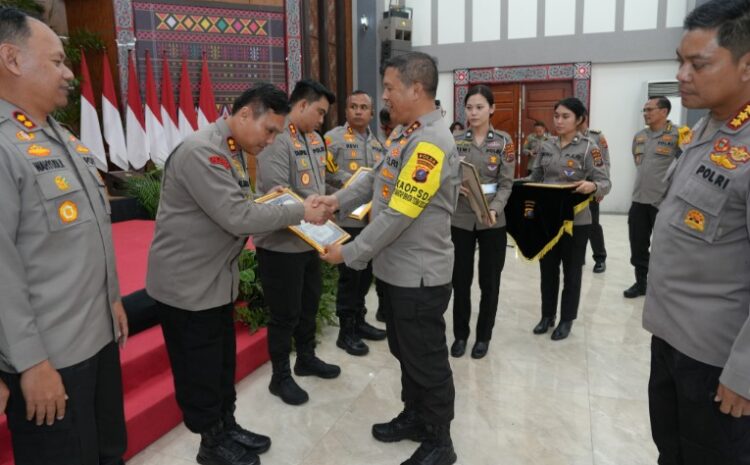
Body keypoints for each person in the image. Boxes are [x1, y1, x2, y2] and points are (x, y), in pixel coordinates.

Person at [146, 84, 332, 465]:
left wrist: (271, 199)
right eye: (269, 131)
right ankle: (210, 444)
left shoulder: (228, 148)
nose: (271, 140)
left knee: (221, 366)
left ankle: (227, 426)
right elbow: (236, 217)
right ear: (245, 114)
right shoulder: (203, 152)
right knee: (200, 371)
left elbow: (232, 204)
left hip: (213, 282)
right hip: (187, 288)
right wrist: (298, 211)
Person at [0, 8, 128, 465]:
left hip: (97, 335)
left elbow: (89, 231)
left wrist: (111, 296)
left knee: (109, 451)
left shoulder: (61, 135)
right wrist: (31, 364)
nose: (69, 72)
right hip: (51, 357)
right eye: (55, 61)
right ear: (12, 59)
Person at [320, 51, 460, 465]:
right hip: (397, 272)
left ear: (416, 89)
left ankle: (440, 441)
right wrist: (335, 200)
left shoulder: (431, 141)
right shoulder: (405, 132)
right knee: (404, 350)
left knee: (427, 357)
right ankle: (416, 417)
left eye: (390, 88)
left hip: (419, 276)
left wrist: (350, 253)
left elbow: (400, 212)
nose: (385, 97)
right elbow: (373, 178)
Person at [644, 0, 750, 462]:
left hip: (717, 359)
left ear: (746, 66)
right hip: (670, 338)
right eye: (680, 62)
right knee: (672, 450)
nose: (683, 75)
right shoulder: (708, 129)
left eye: (699, 64)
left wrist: (745, 373)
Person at [254, 79, 340, 407]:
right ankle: (280, 376)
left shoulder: (314, 139)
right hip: (280, 246)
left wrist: (329, 206)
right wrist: (318, 212)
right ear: (301, 105)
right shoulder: (277, 140)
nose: (321, 120)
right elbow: (278, 193)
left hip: (309, 241)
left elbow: (317, 185)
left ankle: (306, 358)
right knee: (284, 314)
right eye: (319, 112)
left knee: (308, 305)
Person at [527, 97, 611, 340]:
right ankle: (547, 315)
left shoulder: (589, 148)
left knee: (572, 272)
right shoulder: (546, 146)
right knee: (548, 270)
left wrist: (592, 186)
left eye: (565, 116)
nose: (559, 121)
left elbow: (605, 182)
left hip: (577, 222)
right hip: (548, 220)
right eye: (556, 116)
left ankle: (566, 319)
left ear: (579, 119)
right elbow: (536, 177)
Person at [449, 85, 515, 360]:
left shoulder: (503, 141)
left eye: (479, 107)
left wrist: (496, 210)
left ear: (491, 109)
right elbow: (446, 177)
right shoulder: (455, 140)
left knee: (490, 282)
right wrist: (455, 187)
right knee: (460, 281)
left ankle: (483, 336)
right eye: (469, 107)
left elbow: (506, 183)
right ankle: (461, 335)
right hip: (461, 219)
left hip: (491, 221)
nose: (473, 112)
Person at [324, 90, 387, 356]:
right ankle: (345, 331)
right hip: (347, 220)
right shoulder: (332, 139)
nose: (359, 111)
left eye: (364, 107)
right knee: (350, 277)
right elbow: (321, 172)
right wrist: (350, 182)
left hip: (371, 222)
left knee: (365, 276)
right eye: (354, 107)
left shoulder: (380, 145)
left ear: (372, 113)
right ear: (346, 111)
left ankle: (360, 321)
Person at [624, 96, 680, 298]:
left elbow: (687, 167)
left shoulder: (679, 135)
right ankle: (641, 283)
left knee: (665, 248)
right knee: (638, 245)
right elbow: (639, 164)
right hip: (639, 200)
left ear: (664, 112)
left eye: (650, 109)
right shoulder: (640, 136)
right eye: (644, 110)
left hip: (664, 203)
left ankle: (664, 287)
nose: (646, 114)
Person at [579, 114, 611, 273]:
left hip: (591, 185)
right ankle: (578, 256)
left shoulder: (596, 136)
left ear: (582, 118)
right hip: (572, 186)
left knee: (592, 224)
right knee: (573, 223)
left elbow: (605, 161)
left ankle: (600, 258)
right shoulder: (566, 136)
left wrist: (601, 186)